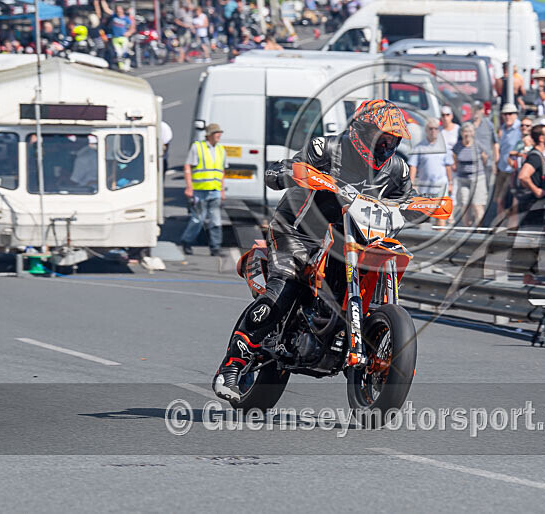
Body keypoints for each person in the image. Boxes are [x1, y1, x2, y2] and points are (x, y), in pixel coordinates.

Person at [212, 100, 414, 401]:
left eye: (393, 141)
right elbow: (281, 171)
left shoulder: (398, 169)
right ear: (363, 132)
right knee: (285, 287)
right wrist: (286, 172)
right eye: (382, 139)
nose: (387, 147)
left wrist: (423, 206)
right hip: (299, 233)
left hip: (355, 239)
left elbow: (407, 201)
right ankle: (232, 366)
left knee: (384, 261)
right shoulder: (326, 148)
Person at [181, 123, 228, 257]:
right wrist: (189, 187)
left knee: (216, 220)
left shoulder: (221, 150)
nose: (219, 135)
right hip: (200, 191)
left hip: (215, 190)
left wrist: (222, 190)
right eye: (216, 133)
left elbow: (222, 171)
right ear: (209, 135)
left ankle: (215, 247)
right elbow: (188, 166)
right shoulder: (197, 147)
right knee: (198, 219)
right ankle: (186, 241)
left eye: (219, 133)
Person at [408, 118, 454, 226]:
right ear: (426, 130)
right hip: (425, 187)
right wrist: (411, 184)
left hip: (441, 185)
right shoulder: (419, 147)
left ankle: (440, 234)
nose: (433, 131)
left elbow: (448, 166)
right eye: (430, 128)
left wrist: (450, 183)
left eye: (436, 128)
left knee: (440, 214)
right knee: (424, 216)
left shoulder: (444, 146)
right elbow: (413, 166)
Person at [515, 124, 545, 229]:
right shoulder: (535, 157)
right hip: (532, 205)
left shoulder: (537, 155)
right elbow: (523, 176)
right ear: (541, 138)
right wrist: (536, 190)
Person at [452, 123, 489, 227]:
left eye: (470, 131)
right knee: (464, 205)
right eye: (465, 131)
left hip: (477, 178)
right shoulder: (458, 146)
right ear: (461, 133)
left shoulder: (478, 145)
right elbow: (455, 158)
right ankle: (467, 228)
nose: (467, 134)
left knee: (477, 205)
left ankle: (479, 229)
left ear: (473, 133)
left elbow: (485, 159)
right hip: (463, 179)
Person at [494, 103, 522, 227]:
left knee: (513, 203)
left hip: (514, 170)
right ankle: (499, 226)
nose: (507, 116)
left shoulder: (520, 128)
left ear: (516, 115)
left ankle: (512, 228)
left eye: (510, 114)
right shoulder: (503, 129)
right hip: (502, 169)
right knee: (500, 200)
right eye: (505, 114)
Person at [109, 5, 134, 70]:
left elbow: (132, 28)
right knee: (119, 53)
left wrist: (129, 33)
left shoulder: (126, 18)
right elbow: (107, 10)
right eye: (117, 10)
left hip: (123, 38)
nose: (118, 11)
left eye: (119, 9)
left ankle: (127, 65)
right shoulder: (114, 16)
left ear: (122, 10)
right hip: (115, 38)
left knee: (124, 52)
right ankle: (121, 67)